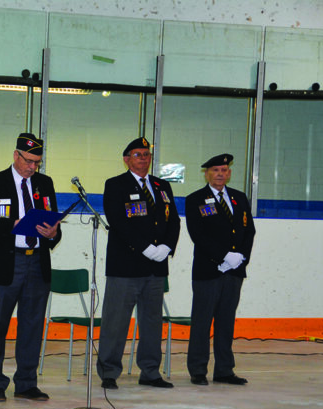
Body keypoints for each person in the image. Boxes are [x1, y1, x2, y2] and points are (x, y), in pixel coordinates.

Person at [0, 133, 62, 402]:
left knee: (32, 325)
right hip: (6, 264)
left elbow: (54, 226)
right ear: (16, 155)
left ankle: (26, 382)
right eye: (28, 161)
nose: (31, 167)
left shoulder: (44, 184)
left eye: (36, 162)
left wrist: (52, 234)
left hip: (37, 261)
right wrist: (10, 225)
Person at [96, 137, 180, 389]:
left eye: (146, 154)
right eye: (137, 154)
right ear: (126, 159)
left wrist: (167, 246)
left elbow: (172, 220)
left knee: (152, 322)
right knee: (116, 321)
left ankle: (151, 372)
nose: (143, 158)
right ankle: (109, 372)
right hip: (126, 266)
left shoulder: (162, 185)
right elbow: (118, 221)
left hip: (155, 267)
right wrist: (144, 247)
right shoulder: (116, 185)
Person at [185, 153, 255, 385]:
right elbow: (198, 235)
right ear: (207, 174)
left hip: (234, 271)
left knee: (226, 322)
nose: (220, 174)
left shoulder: (239, 198)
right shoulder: (195, 199)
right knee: (202, 322)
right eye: (215, 170)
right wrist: (223, 257)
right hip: (208, 270)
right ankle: (197, 370)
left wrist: (239, 259)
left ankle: (224, 370)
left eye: (224, 170)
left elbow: (249, 231)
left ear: (229, 173)